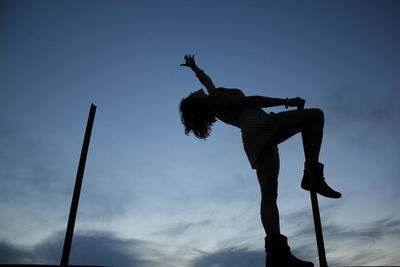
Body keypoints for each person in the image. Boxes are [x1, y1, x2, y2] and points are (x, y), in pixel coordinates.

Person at [179, 54, 341, 267]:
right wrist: (286, 102)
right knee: (315, 116)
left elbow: (206, 81)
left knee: (269, 195)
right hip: (260, 125)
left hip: (252, 138)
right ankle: (312, 174)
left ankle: (277, 255)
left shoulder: (214, 98)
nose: (194, 91)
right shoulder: (216, 100)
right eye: (192, 95)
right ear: (197, 103)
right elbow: (250, 101)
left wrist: (194, 68)